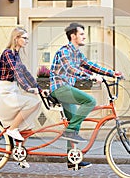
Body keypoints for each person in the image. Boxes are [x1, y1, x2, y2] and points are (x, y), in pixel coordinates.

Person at [50, 22, 122, 170]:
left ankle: (72, 159)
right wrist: (91, 77)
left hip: (67, 89)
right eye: (81, 34)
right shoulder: (65, 52)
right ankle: (70, 132)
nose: (84, 36)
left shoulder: (77, 53)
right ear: (73, 36)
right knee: (90, 101)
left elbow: (90, 65)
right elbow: (71, 69)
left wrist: (111, 73)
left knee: (73, 121)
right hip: (60, 88)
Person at [0, 27, 44, 168]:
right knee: (31, 103)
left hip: (12, 90)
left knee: (27, 125)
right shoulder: (8, 53)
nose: (27, 40)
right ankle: (12, 129)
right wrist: (28, 89)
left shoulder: (16, 54)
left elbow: (25, 73)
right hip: (4, 92)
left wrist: (38, 88)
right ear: (16, 38)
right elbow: (17, 73)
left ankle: (19, 153)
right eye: (24, 38)